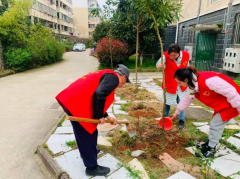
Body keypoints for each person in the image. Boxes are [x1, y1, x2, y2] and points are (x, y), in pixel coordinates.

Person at [55, 64, 130, 176]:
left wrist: (105, 116)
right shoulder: (113, 78)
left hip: (74, 100)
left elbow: (96, 94)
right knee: (86, 134)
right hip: (76, 103)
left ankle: (89, 152)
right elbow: (99, 94)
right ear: (123, 76)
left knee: (86, 133)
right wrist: (98, 116)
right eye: (125, 81)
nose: (122, 85)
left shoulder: (106, 74)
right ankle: (91, 167)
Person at [172, 66, 240, 158]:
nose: (179, 85)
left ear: (186, 80)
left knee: (215, 124)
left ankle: (211, 148)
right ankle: (211, 143)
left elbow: (231, 92)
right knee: (216, 124)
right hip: (223, 105)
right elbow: (187, 99)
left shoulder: (209, 81)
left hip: (233, 103)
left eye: (180, 83)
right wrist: (177, 112)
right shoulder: (192, 84)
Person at [156, 44, 190, 129]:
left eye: (174, 55)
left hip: (182, 84)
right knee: (167, 102)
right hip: (170, 83)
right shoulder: (165, 55)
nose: (172, 57)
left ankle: (181, 120)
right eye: (170, 55)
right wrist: (159, 64)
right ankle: (165, 118)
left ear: (179, 53)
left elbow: (188, 66)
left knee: (182, 102)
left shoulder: (186, 55)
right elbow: (160, 61)